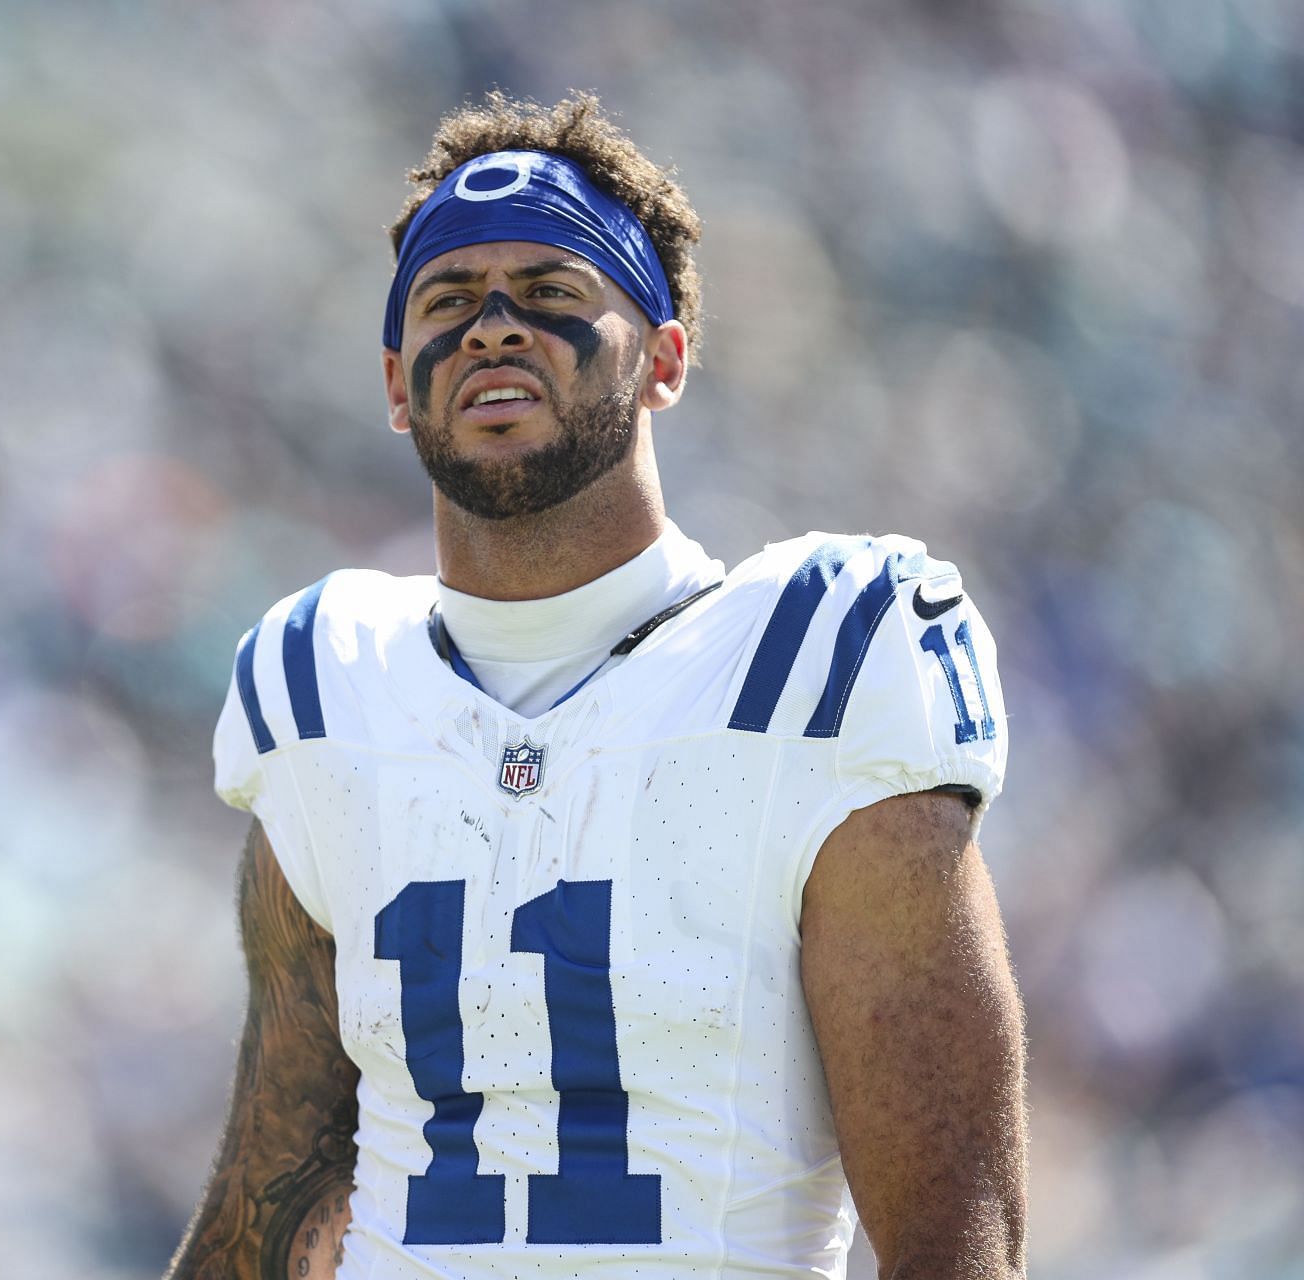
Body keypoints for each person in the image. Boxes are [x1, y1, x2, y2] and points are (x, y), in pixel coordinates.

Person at [167, 92, 1027, 1280]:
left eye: (554, 292)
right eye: (449, 302)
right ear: (394, 381)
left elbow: (952, 1244)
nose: (492, 328)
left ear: (666, 358)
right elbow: (276, 1195)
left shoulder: (822, 654)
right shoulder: (322, 680)